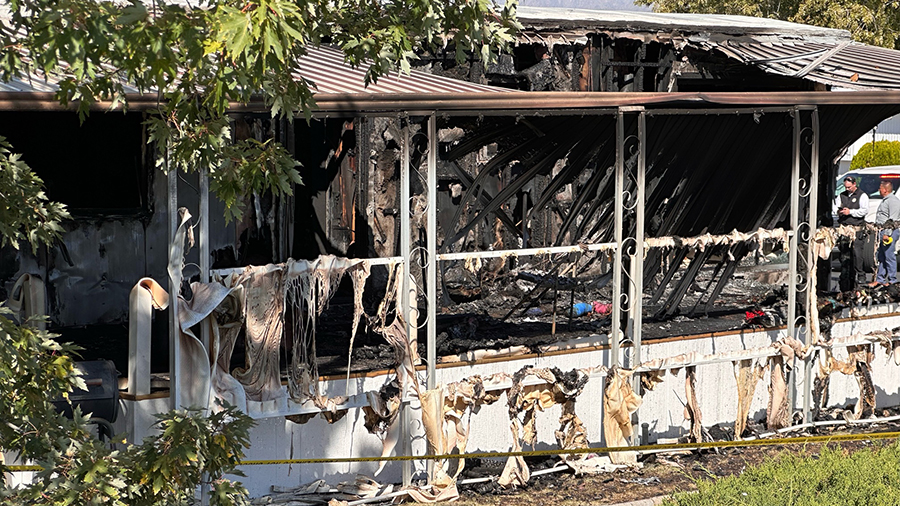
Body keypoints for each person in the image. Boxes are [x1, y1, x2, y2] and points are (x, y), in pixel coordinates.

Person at [833, 175, 869, 289]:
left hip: (857, 229)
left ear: (854, 184)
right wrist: (840, 211)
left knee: (857, 254)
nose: (847, 189)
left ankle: (861, 275)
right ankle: (846, 277)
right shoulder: (842, 196)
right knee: (844, 254)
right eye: (845, 187)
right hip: (845, 229)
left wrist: (851, 212)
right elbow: (835, 208)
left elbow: (864, 211)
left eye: (849, 187)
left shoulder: (862, 195)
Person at [869, 180, 900, 286]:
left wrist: (887, 233)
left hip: (889, 232)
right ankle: (880, 279)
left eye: (880, 188)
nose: (878, 190)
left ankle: (892, 280)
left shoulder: (893, 201)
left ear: (885, 190)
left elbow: (893, 219)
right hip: (882, 231)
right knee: (881, 256)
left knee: (889, 256)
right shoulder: (885, 200)